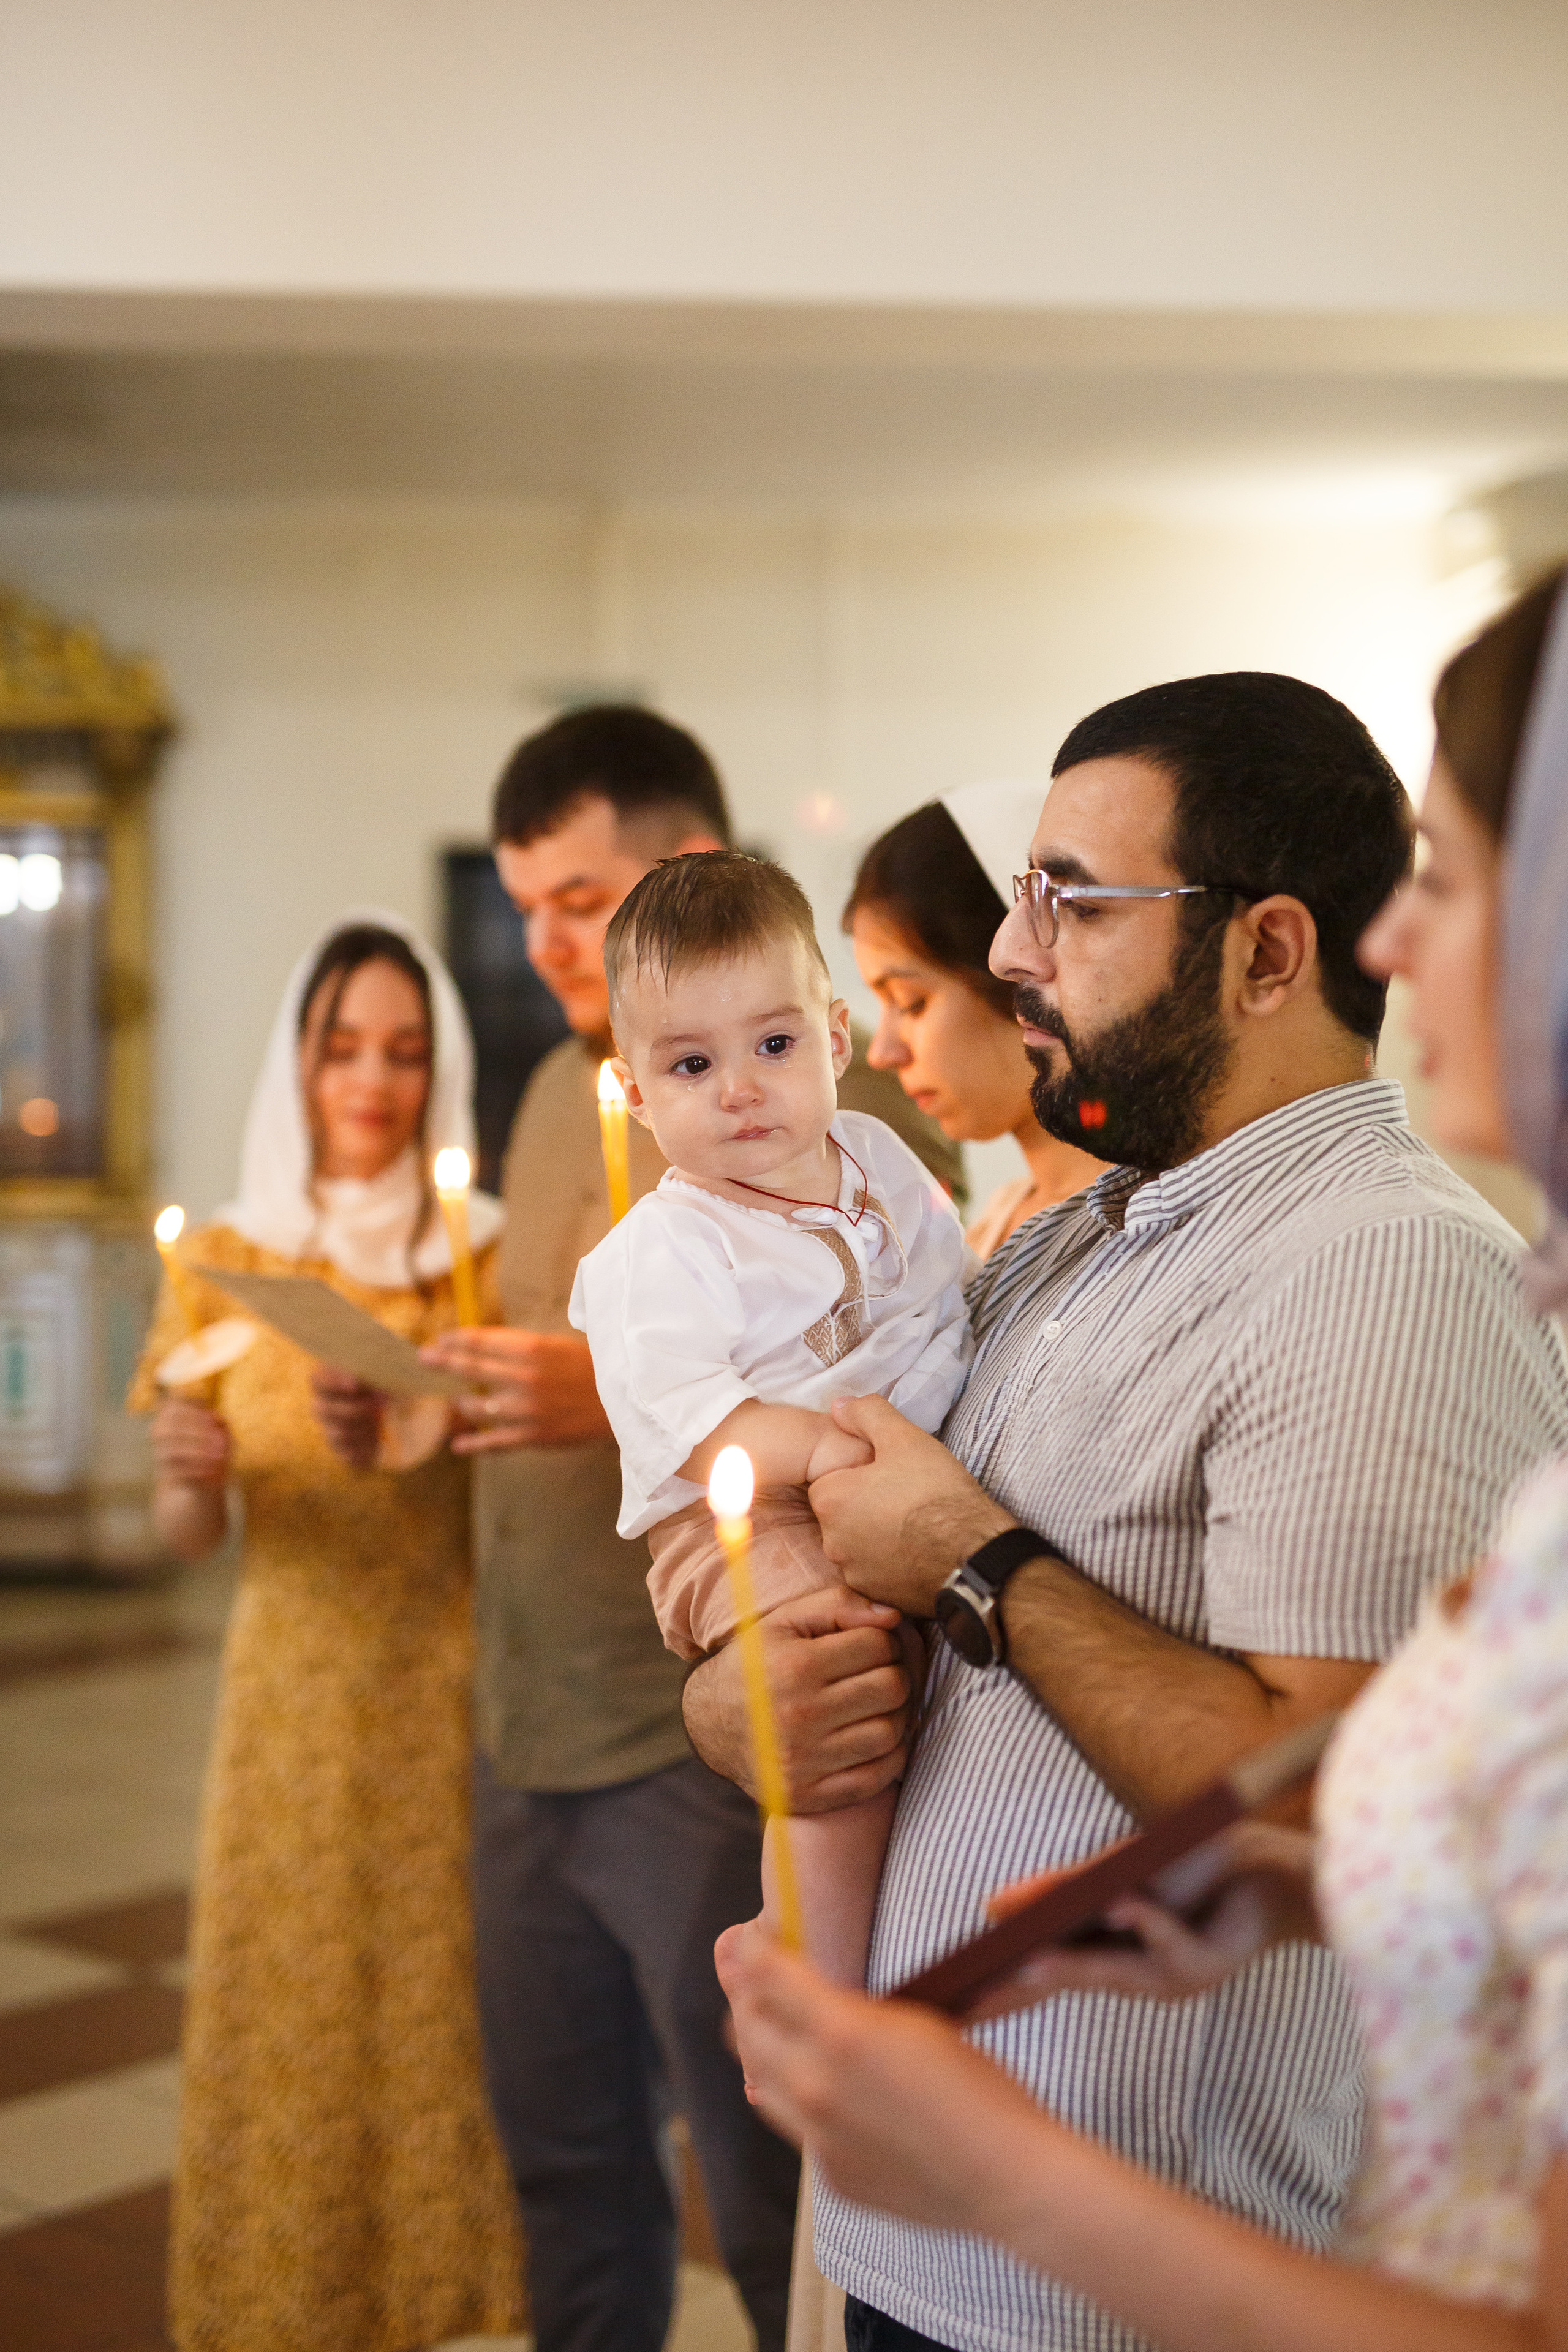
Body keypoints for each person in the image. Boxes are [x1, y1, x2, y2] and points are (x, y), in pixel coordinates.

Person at [729, 569, 1568, 2352]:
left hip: (1121, 2276)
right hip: (948, 2214)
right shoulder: (1086, 1224)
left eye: (1071, 900)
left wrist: (974, 1559)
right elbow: (1352, 1826)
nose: (1011, 950)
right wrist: (764, 1693)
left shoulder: (1381, 1267)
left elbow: (1314, 1767)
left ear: (1261, 952)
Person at [318, 707, 959, 2352]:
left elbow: (897, 1351)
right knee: (564, 2147)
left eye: (575, 895)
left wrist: (606, 1397)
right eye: (524, 903)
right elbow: (582, 1345)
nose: (544, 939)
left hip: (689, 1715)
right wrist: (416, 1407)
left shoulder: (842, 1128)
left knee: (762, 2162)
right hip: (524, 1700)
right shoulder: (558, 1087)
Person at [130, 915, 522, 2352]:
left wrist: (413, 1426)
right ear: (297, 1061)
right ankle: (279, 2305)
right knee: (281, 2007)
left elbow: (516, 1484)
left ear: (439, 1069)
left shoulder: (474, 1255)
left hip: (441, 1677)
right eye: (342, 1047)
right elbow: (191, 1532)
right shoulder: (224, 1257)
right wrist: (187, 1470)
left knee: (434, 2012)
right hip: (286, 1687)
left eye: (404, 1052)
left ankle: (437, 2306)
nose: (370, 1080)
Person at [570, 850, 972, 1985]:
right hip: (747, 1520)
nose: (740, 1089)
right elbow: (710, 1431)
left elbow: (951, 1295)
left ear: (836, 1039)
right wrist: (854, 1449)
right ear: (637, 1092)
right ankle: (811, 1967)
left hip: (885, 1466)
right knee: (839, 1704)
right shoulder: (660, 1252)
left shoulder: (879, 1158)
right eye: (693, 1063)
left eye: (775, 1045)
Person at [845, 782, 1107, 1256]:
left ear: (1019, 968)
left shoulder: (1141, 1216)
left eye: (911, 1002)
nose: (883, 1052)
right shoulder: (995, 1224)